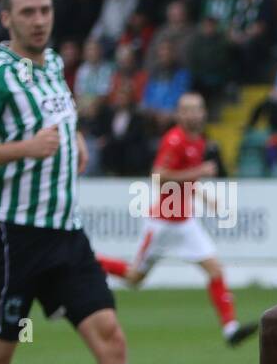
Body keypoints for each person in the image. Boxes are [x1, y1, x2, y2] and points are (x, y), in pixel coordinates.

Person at [0, 0, 205, 364]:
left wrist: (74, 137)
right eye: (28, 13)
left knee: (111, 338)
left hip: (68, 236)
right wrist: (21, 150)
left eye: (46, 11)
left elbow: (60, 115)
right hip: (18, 238)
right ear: (6, 18)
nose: (39, 21)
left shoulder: (55, 64)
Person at [95, 92, 257, 347]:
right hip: (162, 224)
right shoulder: (174, 140)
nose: (193, 114)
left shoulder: (198, 141)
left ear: (203, 113)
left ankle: (230, 329)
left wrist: (205, 197)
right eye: (187, 110)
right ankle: (89, 260)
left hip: (185, 222)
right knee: (135, 277)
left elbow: (186, 181)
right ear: (179, 115)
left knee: (215, 270)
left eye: (197, 109)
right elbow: (158, 177)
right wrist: (200, 171)